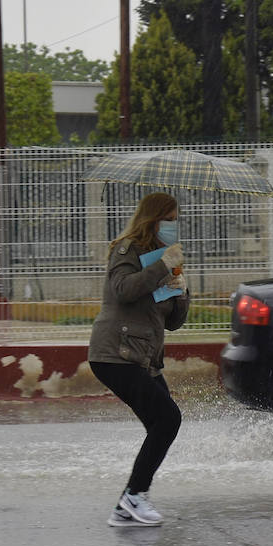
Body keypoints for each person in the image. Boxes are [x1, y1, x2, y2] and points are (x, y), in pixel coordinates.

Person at [88, 191, 190, 528]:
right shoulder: (127, 249)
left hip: (141, 355)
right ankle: (132, 497)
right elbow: (122, 290)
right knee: (167, 420)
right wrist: (161, 266)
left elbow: (172, 322)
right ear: (154, 218)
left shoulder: (163, 257)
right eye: (170, 220)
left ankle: (128, 503)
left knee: (161, 424)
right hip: (115, 353)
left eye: (177, 220)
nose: (175, 226)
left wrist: (181, 289)